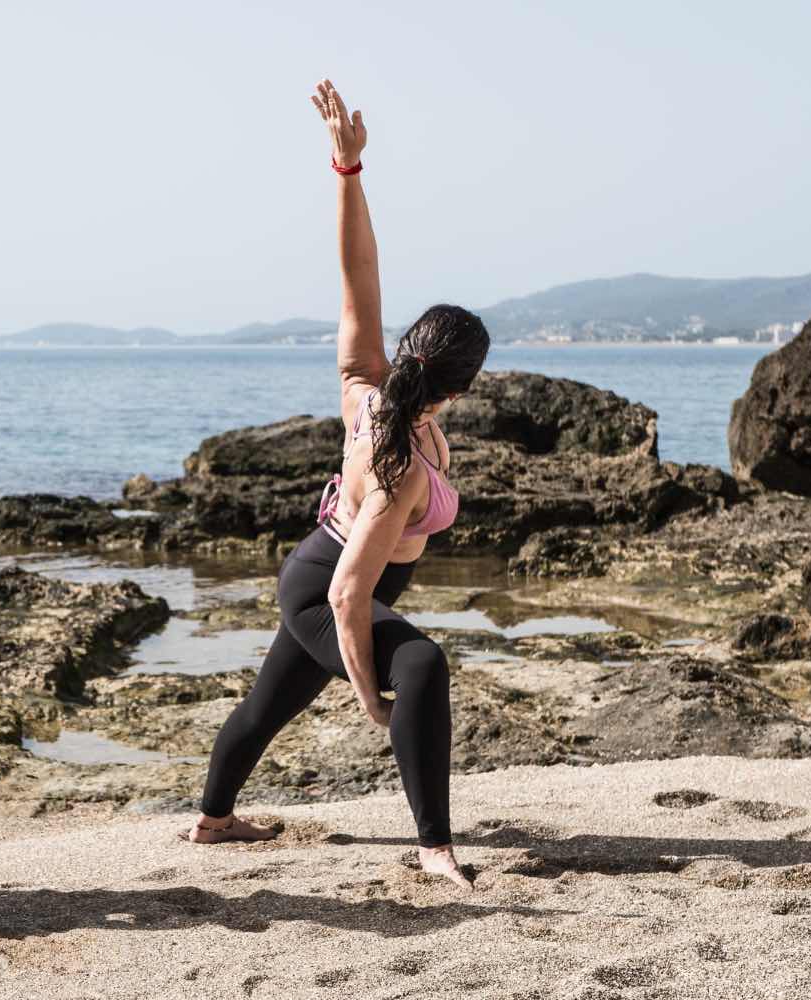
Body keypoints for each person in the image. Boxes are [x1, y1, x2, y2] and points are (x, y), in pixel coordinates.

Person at [187, 80, 489, 891]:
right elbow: (351, 600)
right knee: (419, 665)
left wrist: (348, 172)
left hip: (315, 567)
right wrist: (369, 699)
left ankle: (213, 821)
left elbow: (357, 270)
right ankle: (435, 848)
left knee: (266, 705)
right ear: (459, 387)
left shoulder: (367, 387)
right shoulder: (394, 469)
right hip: (327, 586)